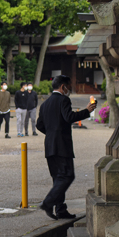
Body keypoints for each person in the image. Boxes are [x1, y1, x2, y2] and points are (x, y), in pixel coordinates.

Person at [35, 75, 96, 220]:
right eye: (68, 86)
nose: (69, 90)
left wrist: (51, 133)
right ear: (63, 87)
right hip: (62, 145)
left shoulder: (45, 104)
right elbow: (69, 117)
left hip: (49, 146)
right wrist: (87, 110)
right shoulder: (64, 100)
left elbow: (39, 125)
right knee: (67, 176)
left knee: (58, 178)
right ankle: (48, 203)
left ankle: (60, 209)